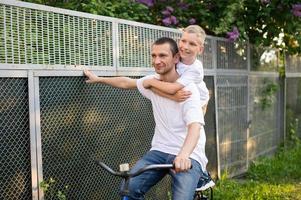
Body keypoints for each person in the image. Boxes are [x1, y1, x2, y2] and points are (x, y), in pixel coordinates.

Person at [84, 37, 208, 200]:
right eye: (154, 56)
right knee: (129, 189)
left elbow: (195, 127)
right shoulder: (152, 83)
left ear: (176, 58)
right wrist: (99, 79)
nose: (157, 61)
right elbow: (126, 83)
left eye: (163, 55)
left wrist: (184, 155)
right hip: (160, 149)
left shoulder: (188, 89)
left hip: (189, 153)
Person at [143, 25, 210, 115]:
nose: (185, 47)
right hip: (181, 97)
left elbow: (172, 89)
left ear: (200, 49)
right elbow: (152, 87)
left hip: (199, 103)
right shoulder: (175, 56)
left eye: (192, 44)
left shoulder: (195, 69)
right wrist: (150, 83)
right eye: (183, 41)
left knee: (191, 126)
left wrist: (150, 82)